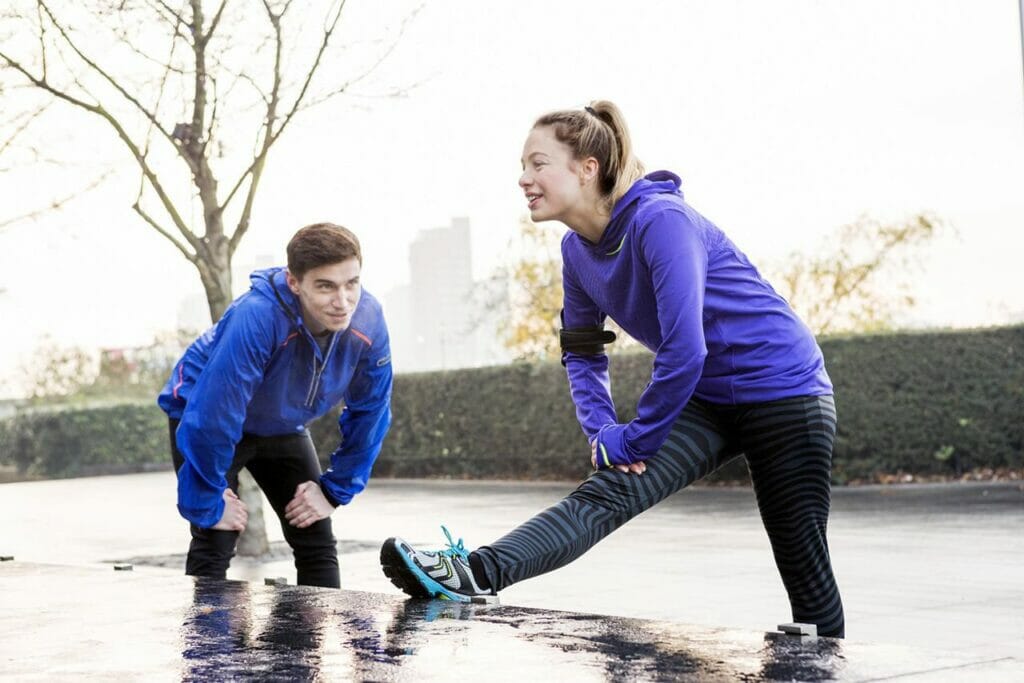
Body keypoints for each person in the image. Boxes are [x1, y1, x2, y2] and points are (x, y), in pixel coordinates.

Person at [380, 101, 845, 637]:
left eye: (537, 164)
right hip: (710, 398)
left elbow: (685, 348)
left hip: (785, 390)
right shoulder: (577, 252)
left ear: (587, 167)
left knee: (800, 554)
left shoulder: (661, 221)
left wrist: (639, 437)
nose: (523, 178)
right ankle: (473, 572)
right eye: (523, 167)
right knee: (607, 491)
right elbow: (582, 349)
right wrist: (604, 434)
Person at [159, 222, 392, 588]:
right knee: (216, 533)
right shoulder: (258, 316)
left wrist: (334, 490)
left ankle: (311, 645)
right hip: (204, 414)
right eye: (325, 286)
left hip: (281, 425)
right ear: (295, 282)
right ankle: (207, 643)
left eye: (352, 283)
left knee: (314, 530)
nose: (342, 301)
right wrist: (208, 500)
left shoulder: (369, 321)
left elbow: (371, 410)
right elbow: (215, 413)